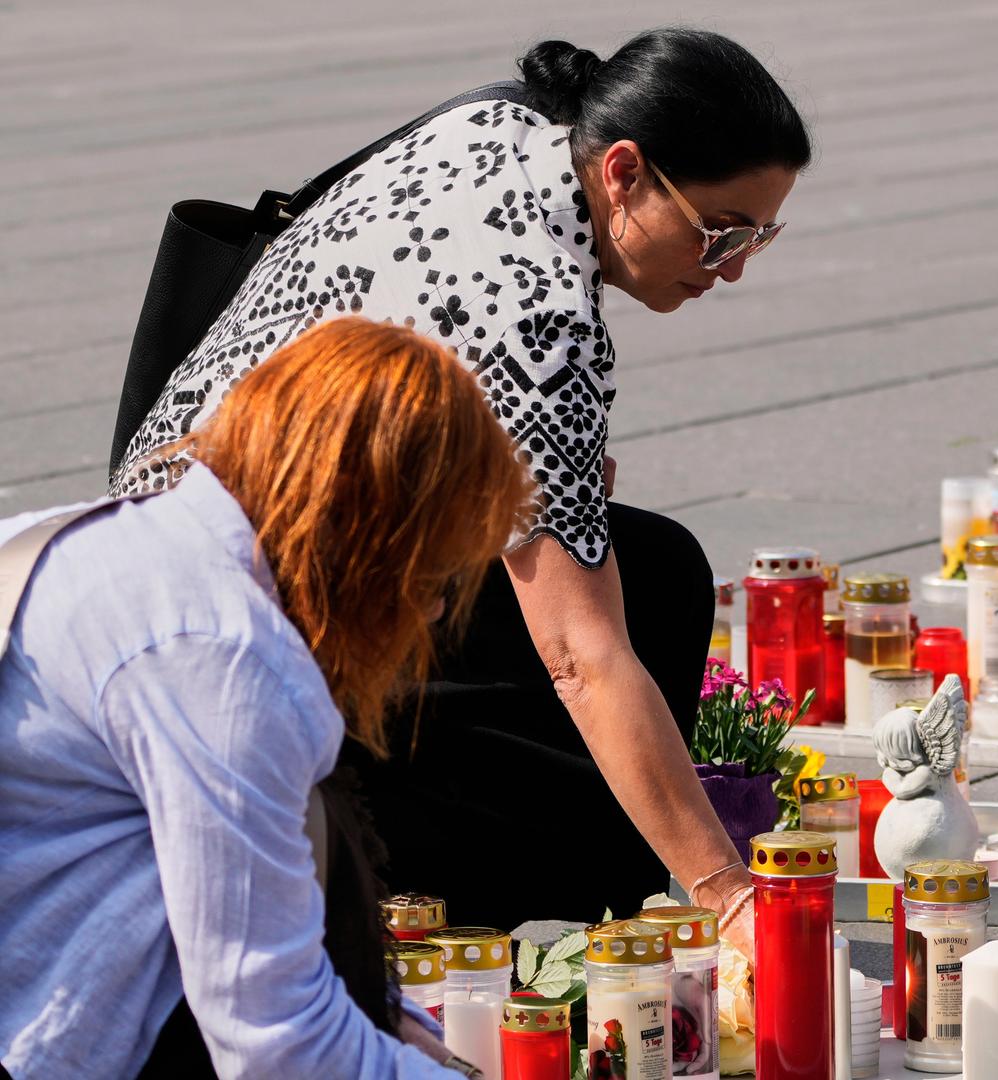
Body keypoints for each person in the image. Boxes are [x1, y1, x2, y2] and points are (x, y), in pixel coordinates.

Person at [108, 29, 813, 936]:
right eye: (721, 232)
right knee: (621, 615)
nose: (736, 266)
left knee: (651, 567)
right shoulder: (539, 316)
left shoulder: (506, 124)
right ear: (625, 172)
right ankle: (512, 922)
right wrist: (727, 892)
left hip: (168, 510)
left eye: (761, 236)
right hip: (233, 612)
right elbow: (581, 658)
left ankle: (569, 894)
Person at [1, 318, 529, 1077]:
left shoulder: (134, 545)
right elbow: (278, 1043)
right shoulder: (225, 656)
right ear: (370, 544)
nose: (439, 609)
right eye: (435, 573)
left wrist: (404, 1036)